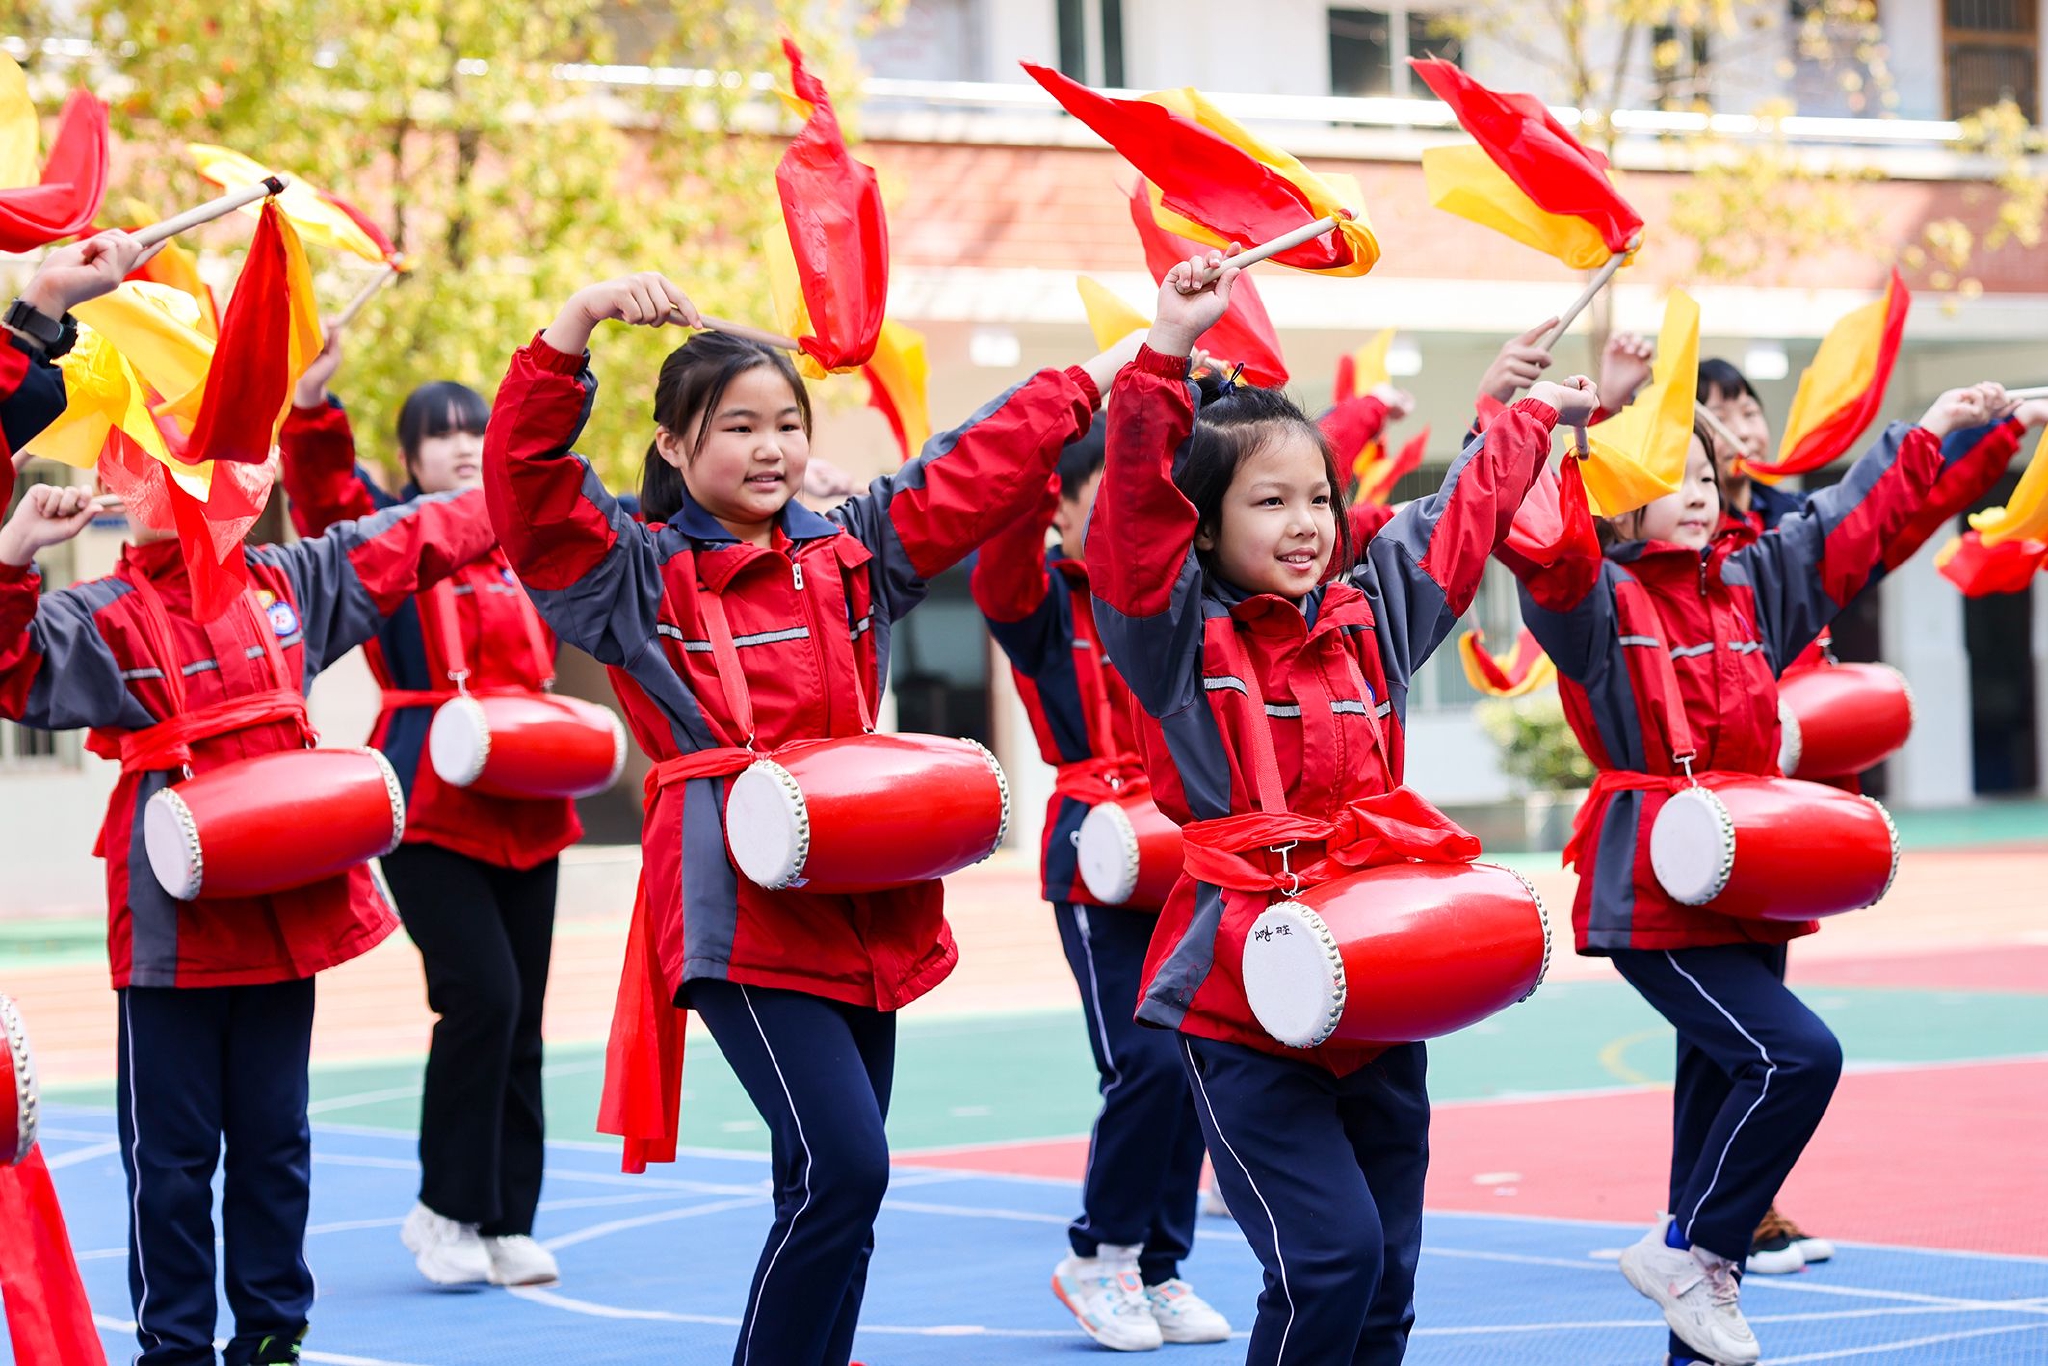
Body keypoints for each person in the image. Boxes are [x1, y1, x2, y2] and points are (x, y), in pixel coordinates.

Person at [481, 270, 1139, 1366]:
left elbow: (976, 467)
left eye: (786, 422)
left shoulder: (851, 555)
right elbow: (527, 487)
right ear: (677, 448)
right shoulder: (633, 572)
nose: (771, 446)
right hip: (733, 902)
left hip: (859, 885)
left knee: (824, 1173)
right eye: (737, 425)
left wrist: (1127, 359)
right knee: (847, 1165)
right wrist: (577, 320)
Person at [1088, 248, 1594, 1365]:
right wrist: (1165, 350)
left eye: (1316, 495)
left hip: (1376, 987)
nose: (1305, 521)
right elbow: (1127, 526)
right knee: (1327, 1260)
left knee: (1385, 1284)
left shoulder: (1372, 616)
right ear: (1203, 528)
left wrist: (1524, 424)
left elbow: (1458, 523)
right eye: (1267, 501)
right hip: (1241, 999)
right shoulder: (1172, 638)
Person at [1508, 387, 2038, 1366]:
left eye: (1707, 475)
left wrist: (1944, 430)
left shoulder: (1752, 583)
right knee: (1796, 1057)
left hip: (1749, 873)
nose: (1699, 492)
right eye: (1671, 476)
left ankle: (1692, 1291)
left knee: (1716, 1112)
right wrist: (1531, 416)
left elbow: (1858, 521)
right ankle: (1688, 1246)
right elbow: (1530, 530)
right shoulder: (1591, 599)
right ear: (1617, 494)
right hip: (1650, 891)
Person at [0, 461, 494, 1365]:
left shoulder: (290, 582)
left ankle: (272, 1337)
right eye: (160, 468)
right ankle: (176, 1349)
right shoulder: (102, 612)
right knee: (171, 1163)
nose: (198, 485)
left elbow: (420, 538)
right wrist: (14, 553)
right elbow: (13, 672)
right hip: (170, 925)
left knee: (277, 1142)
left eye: (218, 462)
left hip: (285, 902)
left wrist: (526, 485)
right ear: (123, 489)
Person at [280, 333, 575, 1288]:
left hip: (530, 788)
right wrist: (316, 409)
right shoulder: (394, 536)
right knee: (479, 996)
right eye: (438, 436)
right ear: (407, 459)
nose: (458, 447)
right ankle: (445, 1211)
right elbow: (326, 498)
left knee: (523, 1012)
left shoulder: (525, 538)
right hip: (429, 792)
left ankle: (505, 1221)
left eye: (473, 431)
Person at [971, 416, 1229, 1351]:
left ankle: (1159, 1268)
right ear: (1062, 514)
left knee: (1197, 1061)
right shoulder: (1040, 603)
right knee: (1146, 1061)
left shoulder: (1179, 600)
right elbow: (1002, 545)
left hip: (1191, 847)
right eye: (1103, 503)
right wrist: (1051, 439)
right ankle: (1101, 1253)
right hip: (1099, 856)